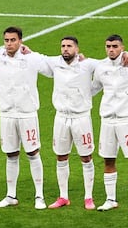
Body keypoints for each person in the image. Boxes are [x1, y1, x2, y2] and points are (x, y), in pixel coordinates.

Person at [0, 27, 50, 210]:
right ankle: (11, 195)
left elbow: (52, 66)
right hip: (6, 114)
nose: (9, 44)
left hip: (27, 114)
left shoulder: (31, 58)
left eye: (13, 40)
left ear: (20, 40)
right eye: (6, 40)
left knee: (32, 152)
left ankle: (39, 196)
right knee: (11, 153)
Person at [40, 36, 98, 210]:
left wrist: (124, 54)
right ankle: (63, 196)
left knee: (86, 157)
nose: (65, 49)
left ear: (77, 49)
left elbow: (110, 64)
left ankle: (88, 197)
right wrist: (24, 50)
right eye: (63, 46)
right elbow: (36, 58)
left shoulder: (87, 65)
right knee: (61, 156)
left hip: (81, 118)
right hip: (61, 117)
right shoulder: (54, 63)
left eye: (69, 46)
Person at [91, 34, 128, 212]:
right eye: (108, 46)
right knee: (108, 159)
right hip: (107, 120)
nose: (111, 49)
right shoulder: (101, 67)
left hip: (126, 120)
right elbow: (94, 88)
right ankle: (110, 199)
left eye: (115, 46)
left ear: (122, 47)